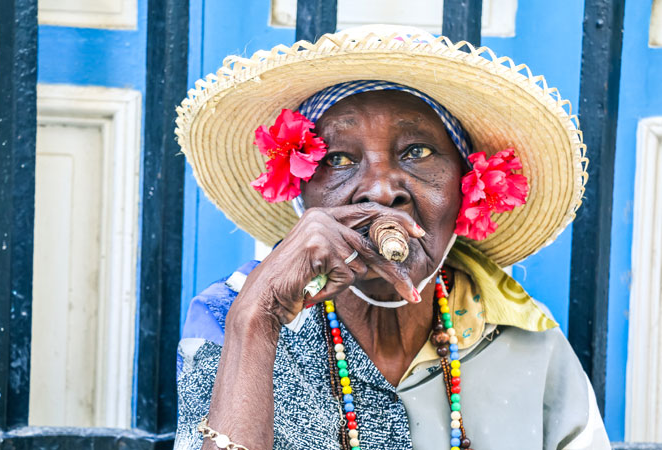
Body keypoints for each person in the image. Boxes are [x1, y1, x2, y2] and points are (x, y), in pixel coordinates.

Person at [173, 25, 610, 450]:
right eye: (340, 158)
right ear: (302, 198)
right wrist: (257, 320)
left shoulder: (531, 343)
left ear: (466, 186)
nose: (381, 190)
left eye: (417, 151)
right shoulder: (229, 316)